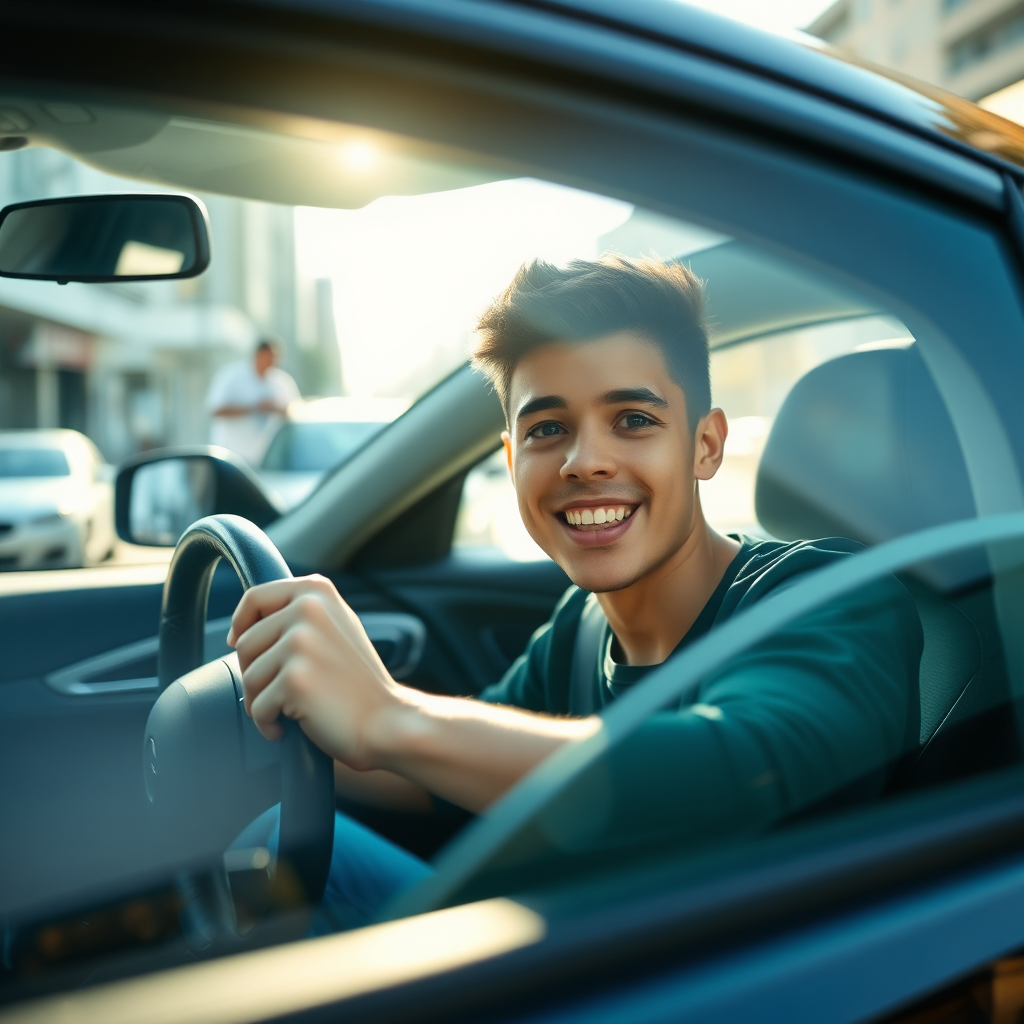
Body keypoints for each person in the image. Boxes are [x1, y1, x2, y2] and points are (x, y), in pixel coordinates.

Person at [226, 256, 922, 933]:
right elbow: (445, 777)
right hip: (598, 949)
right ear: (511, 459)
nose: (585, 460)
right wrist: (289, 715)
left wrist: (390, 715)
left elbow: (737, 774)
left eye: (634, 420)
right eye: (547, 429)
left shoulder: (831, 595)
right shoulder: (581, 627)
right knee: (282, 839)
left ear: (705, 445)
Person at [205, 339, 300, 466]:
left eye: (274, 359)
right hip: (231, 457)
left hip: (269, 461)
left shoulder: (282, 381)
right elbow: (216, 410)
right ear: (257, 355)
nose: (271, 363)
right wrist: (255, 408)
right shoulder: (231, 376)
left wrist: (278, 409)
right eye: (267, 358)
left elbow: (296, 413)